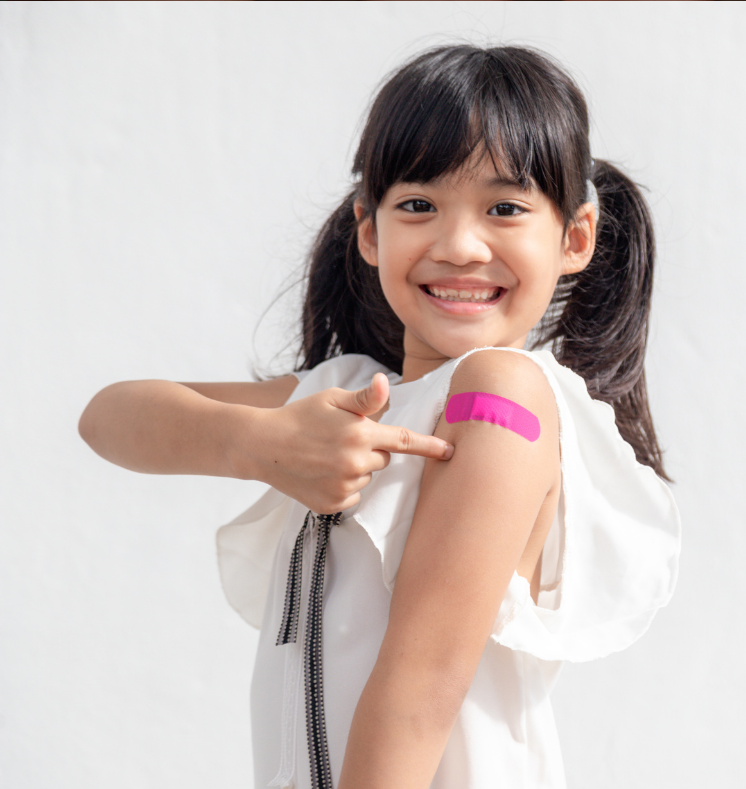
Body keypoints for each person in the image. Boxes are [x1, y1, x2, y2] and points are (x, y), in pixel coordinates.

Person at [78, 44, 680, 789]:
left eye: (505, 207)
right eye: (419, 205)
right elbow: (107, 417)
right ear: (370, 229)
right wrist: (263, 442)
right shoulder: (345, 393)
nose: (459, 245)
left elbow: (420, 690)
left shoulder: (503, 393)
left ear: (575, 237)